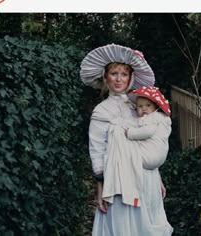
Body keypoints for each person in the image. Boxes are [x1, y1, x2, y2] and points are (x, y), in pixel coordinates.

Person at [80, 44, 173, 236]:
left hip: (145, 177)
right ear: (105, 77)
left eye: (124, 74)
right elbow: (97, 151)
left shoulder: (139, 105)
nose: (119, 79)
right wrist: (100, 189)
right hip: (120, 180)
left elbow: (147, 143)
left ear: (131, 78)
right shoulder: (102, 111)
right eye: (114, 73)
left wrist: (157, 177)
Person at [125, 86, 172, 170]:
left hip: (149, 156)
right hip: (160, 157)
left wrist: (129, 132)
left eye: (148, 105)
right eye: (140, 106)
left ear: (155, 107)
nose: (144, 108)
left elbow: (147, 131)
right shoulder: (162, 119)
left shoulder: (153, 117)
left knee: (126, 147)